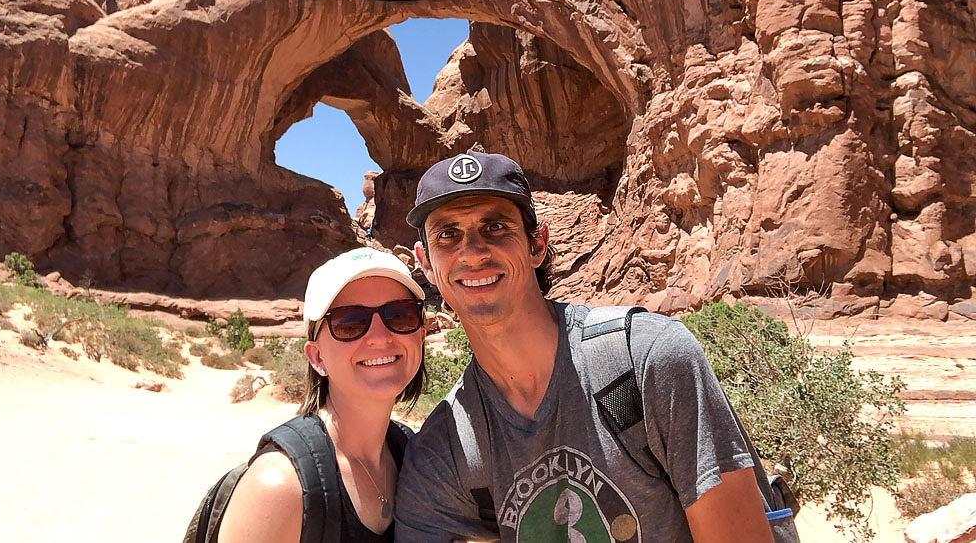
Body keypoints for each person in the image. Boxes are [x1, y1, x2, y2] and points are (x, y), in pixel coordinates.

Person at [393, 150, 775, 542]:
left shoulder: (648, 359)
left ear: (537, 245)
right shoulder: (445, 448)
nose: (471, 252)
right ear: (425, 262)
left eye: (495, 227)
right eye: (447, 234)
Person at [218, 247, 427, 542]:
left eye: (400, 315)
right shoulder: (280, 487)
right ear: (316, 358)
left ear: (421, 335)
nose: (380, 337)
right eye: (350, 322)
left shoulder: (414, 456)